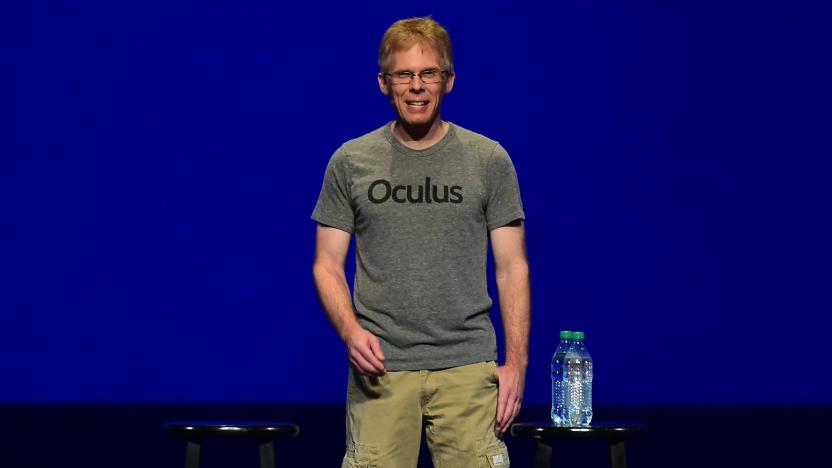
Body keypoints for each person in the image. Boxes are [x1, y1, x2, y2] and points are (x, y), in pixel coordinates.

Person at [311, 16, 530, 467]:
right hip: (381, 371)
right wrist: (351, 332)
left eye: (429, 73)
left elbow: (513, 267)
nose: (416, 86)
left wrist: (516, 365)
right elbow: (326, 264)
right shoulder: (351, 161)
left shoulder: (488, 159)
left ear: (448, 81)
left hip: (468, 367)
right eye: (404, 74)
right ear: (383, 83)